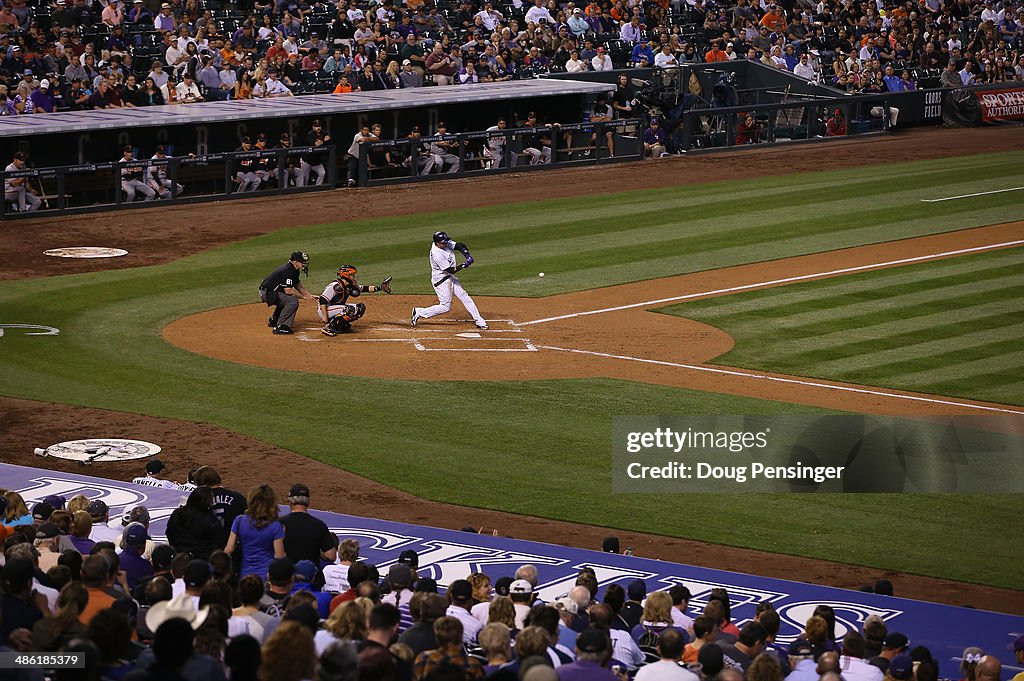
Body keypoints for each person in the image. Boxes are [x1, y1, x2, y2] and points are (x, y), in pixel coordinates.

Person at [411, 230, 488, 331]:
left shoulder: (444, 243)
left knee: (465, 297)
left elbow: (460, 246)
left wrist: (467, 255)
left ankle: (479, 321)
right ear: (437, 243)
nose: (446, 243)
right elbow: (451, 270)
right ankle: (419, 312)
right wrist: (464, 265)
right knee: (445, 307)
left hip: (449, 277)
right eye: (443, 242)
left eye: (446, 241)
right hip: (441, 281)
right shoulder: (437, 254)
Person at [224, 484, 286, 578]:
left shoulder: (239, 521)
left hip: (244, 576)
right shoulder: (275, 526)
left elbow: (228, 550)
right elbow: (279, 557)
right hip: (266, 577)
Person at [317, 264, 393, 336]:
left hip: (335, 308)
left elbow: (364, 288)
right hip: (325, 310)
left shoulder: (349, 285)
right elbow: (323, 299)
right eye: (352, 275)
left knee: (359, 308)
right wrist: (324, 316)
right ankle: (329, 328)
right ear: (346, 275)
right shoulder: (335, 286)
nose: (354, 277)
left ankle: (341, 325)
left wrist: (380, 288)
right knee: (349, 310)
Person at [259, 250, 318, 335]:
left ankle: (274, 320)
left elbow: (298, 285)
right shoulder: (288, 270)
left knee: (286, 299)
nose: (304, 265)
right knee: (292, 301)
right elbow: (288, 290)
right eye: (303, 263)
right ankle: (281, 326)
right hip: (267, 293)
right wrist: (303, 297)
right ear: (296, 262)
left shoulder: (293, 269)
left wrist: (309, 295)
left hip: (270, 292)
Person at [165, 486, 226, 560]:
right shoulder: (211, 520)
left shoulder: (177, 513)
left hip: (179, 557)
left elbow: (169, 533)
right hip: (201, 560)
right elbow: (218, 544)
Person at [301, 119, 330, 186]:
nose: (318, 128)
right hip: (307, 160)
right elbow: (316, 144)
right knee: (305, 178)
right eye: (316, 126)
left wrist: (323, 142)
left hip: (317, 161)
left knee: (322, 173)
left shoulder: (324, 133)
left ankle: (318, 187)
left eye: (319, 126)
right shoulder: (310, 134)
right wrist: (324, 142)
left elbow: (329, 140)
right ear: (313, 127)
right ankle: (303, 192)